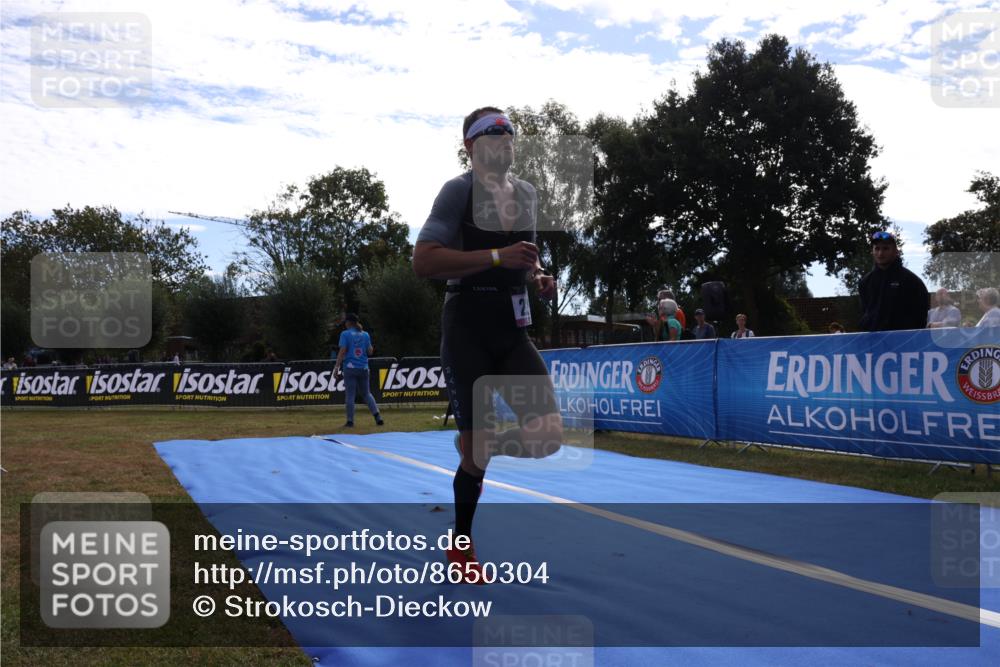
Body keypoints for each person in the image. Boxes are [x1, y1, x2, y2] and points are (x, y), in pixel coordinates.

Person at [412, 106, 563, 582]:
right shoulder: (458, 192)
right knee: (476, 454)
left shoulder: (527, 195)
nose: (505, 141)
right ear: (470, 147)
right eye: (492, 134)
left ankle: (478, 442)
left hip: (512, 328)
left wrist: (538, 278)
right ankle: (461, 546)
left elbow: (527, 261)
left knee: (547, 438)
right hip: (468, 327)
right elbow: (424, 261)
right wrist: (498, 256)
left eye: (510, 134)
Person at [858, 231, 928, 332]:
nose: (880, 253)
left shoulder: (912, 281)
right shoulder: (865, 282)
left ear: (896, 251)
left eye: (886, 248)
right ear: (872, 251)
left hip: (903, 343)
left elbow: (921, 317)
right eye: (877, 248)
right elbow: (865, 313)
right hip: (874, 343)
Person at [332, 313, 384, 428]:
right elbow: (370, 352)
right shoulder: (365, 334)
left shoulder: (345, 334)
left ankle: (350, 421)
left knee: (350, 395)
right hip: (364, 368)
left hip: (350, 368)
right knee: (367, 393)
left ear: (349, 323)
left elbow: (342, 351)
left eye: (346, 322)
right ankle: (378, 417)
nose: (344, 323)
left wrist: (336, 367)